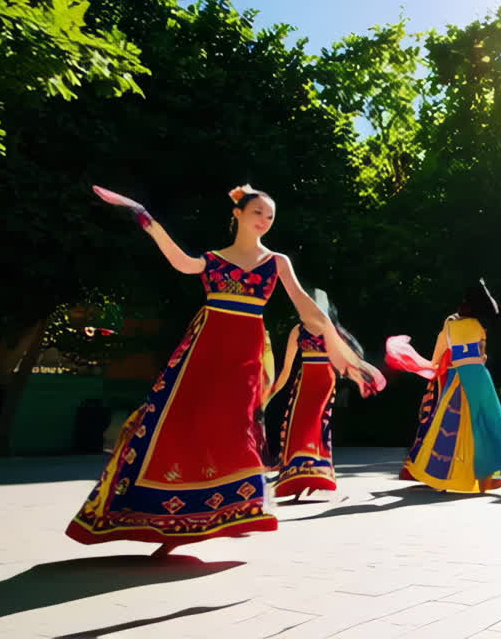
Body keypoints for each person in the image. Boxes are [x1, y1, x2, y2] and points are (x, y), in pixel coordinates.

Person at [69, 185, 380, 555]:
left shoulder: (277, 262)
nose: (265, 221)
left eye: (270, 216)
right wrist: (146, 219)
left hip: (246, 356)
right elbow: (182, 262)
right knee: (180, 422)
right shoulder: (214, 260)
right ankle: (166, 515)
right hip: (203, 351)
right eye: (257, 213)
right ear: (238, 215)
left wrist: (344, 352)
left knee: (235, 426)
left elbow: (307, 310)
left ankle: (231, 508)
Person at [390, 280, 501, 492]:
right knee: (489, 424)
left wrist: (421, 365)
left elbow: (437, 358)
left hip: (459, 378)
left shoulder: (450, 325)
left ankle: (443, 476)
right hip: (482, 379)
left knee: (452, 427)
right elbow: (482, 356)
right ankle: (487, 479)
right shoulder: (478, 326)